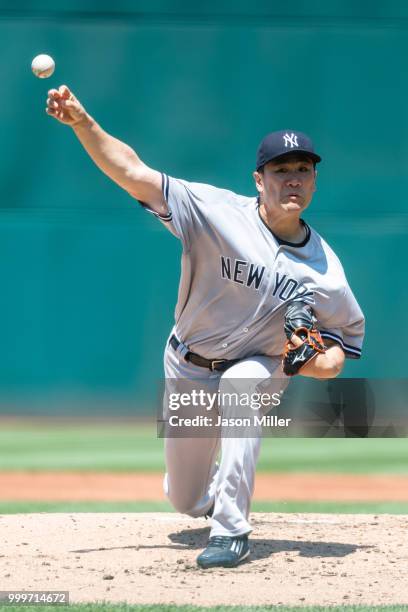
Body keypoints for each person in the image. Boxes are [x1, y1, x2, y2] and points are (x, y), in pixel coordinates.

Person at [46, 85, 365, 569]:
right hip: (189, 363)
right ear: (260, 180)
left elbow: (336, 358)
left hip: (259, 364)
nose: (293, 179)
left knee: (240, 384)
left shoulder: (327, 272)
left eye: (303, 170)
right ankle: (215, 496)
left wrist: (308, 361)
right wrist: (82, 123)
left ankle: (233, 530)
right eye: (281, 170)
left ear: (315, 181)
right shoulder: (214, 212)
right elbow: (133, 173)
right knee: (184, 499)